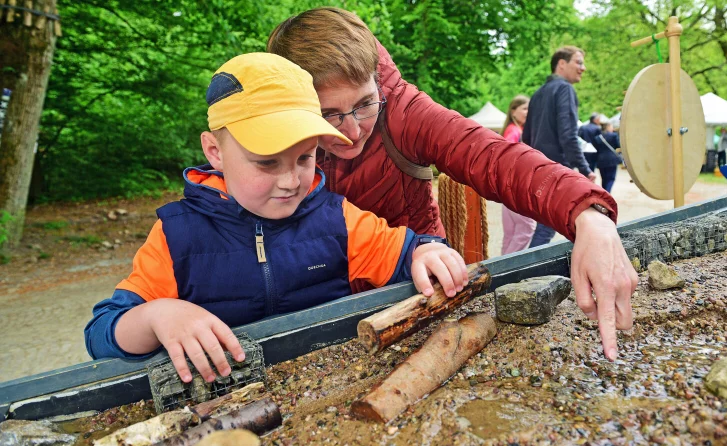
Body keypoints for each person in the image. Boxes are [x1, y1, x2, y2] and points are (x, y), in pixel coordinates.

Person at [268, 8, 636, 361]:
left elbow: (491, 157)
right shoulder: (269, 124)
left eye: (365, 104)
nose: (352, 131)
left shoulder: (402, 110)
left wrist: (587, 213)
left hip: (418, 286)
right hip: (320, 301)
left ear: (376, 79)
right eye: (328, 114)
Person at [84, 53, 469, 383]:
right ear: (214, 151)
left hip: (329, 380)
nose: (290, 181)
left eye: (305, 158)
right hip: (222, 397)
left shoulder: (337, 218)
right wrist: (156, 316)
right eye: (267, 162)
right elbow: (102, 334)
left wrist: (426, 252)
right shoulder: (176, 236)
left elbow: (406, 253)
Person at [522, 46, 597, 249]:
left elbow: (526, 138)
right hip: (556, 171)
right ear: (562, 64)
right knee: (550, 225)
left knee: (552, 223)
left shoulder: (537, 94)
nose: (584, 68)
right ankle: (529, 274)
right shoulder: (564, 89)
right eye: (578, 62)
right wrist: (585, 169)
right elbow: (568, 135)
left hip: (539, 168)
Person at [500, 95, 537, 254]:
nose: (528, 112)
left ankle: (501, 269)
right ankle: (509, 265)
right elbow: (506, 156)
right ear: (513, 111)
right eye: (524, 108)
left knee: (511, 231)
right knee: (527, 227)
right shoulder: (514, 132)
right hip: (515, 185)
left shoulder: (515, 129)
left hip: (507, 185)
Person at [592, 121, 623, 193]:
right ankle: (607, 193)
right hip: (612, 160)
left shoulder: (597, 138)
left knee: (604, 179)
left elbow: (596, 149)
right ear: (608, 127)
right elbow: (618, 146)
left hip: (601, 160)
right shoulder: (613, 135)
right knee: (611, 178)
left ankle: (604, 193)